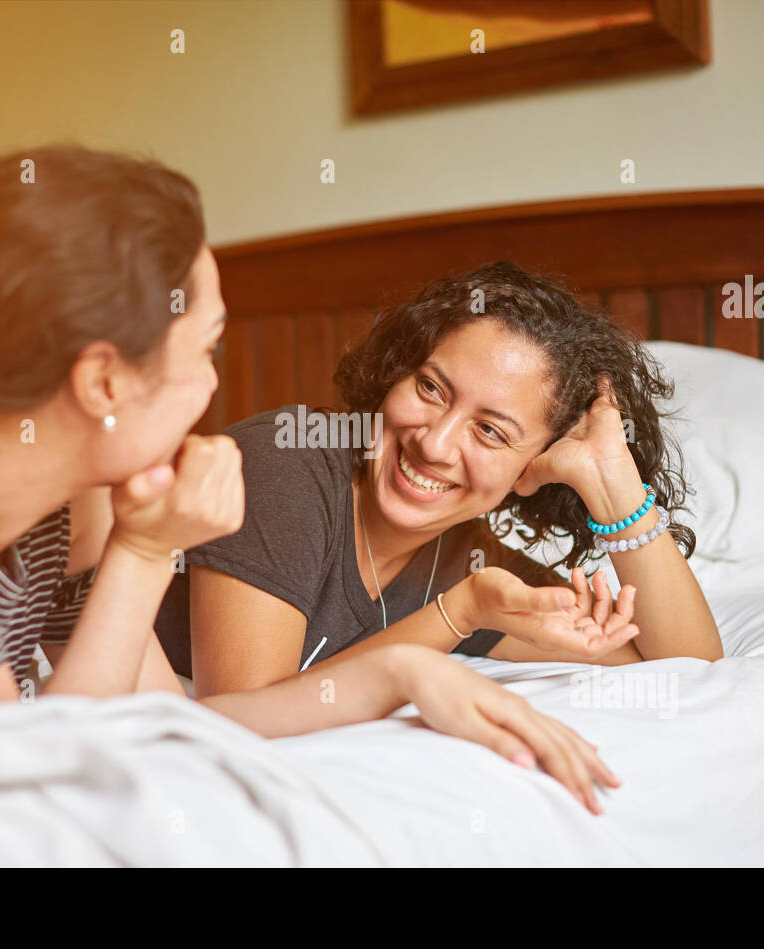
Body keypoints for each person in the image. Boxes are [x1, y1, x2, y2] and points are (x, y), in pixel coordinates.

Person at [0, 147, 621, 814]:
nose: (217, 388)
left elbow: (177, 722)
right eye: (206, 349)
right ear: (101, 381)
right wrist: (143, 552)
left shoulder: (72, 492)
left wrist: (402, 672)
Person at [155, 262, 723, 697]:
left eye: (491, 432)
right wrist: (459, 615)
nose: (434, 442)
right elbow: (243, 715)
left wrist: (611, 479)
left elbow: (690, 667)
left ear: (534, 467)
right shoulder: (286, 461)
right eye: (431, 388)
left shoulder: (469, 564)